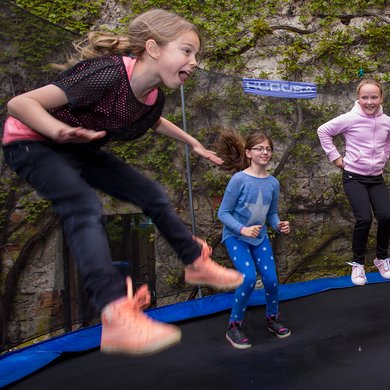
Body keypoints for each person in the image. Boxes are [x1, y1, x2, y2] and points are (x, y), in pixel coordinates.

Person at [2, 9, 243, 356]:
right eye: (187, 50)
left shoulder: (152, 98)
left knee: (152, 195)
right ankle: (115, 312)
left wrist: (193, 143)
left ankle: (195, 263)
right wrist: (57, 130)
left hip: (79, 147)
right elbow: (19, 103)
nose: (194, 62)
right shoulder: (106, 73)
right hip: (32, 142)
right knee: (82, 205)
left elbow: (154, 119)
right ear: (153, 48)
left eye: (197, 56)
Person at [215, 129, 291, 349]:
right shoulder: (239, 180)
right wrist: (242, 230)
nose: (264, 152)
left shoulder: (273, 183)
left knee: (271, 279)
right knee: (248, 278)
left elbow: (271, 213)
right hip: (236, 237)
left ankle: (272, 319)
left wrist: (279, 225)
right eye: (259, 148)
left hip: (260, 238)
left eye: (268, 149)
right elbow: (223, 213)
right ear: (248, 152)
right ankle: (234, 326)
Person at [317, 77, 390, 286]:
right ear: (358, 98)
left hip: (376, 178)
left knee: (386, 216)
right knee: (364, 219)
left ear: (381, 98)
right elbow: (323, 131)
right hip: (353, 177)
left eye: (374, 97)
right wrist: (336, 158)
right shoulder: (350, 118)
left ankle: (381, 258)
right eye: (365, 97)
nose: (369, 102)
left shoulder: (386, 121)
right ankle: (358, 264)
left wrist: (385, 156)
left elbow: (388, 141)